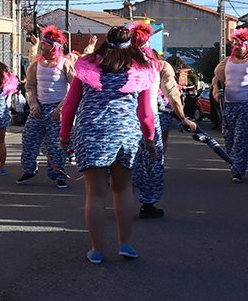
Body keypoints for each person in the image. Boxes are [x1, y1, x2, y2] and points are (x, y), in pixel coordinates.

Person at [59, 24, 159, 263]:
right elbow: (146, 112)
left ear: (106, 41)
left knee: (95, 193)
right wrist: (150, 139)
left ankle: (97, 250)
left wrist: (64, 134)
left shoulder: (87, 66)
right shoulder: (140, 69)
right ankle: (126, 244)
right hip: (126, 134)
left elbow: (70, 104)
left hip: (91, 132)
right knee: (123, 189)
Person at [133, 55, 195, 218]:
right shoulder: (121, 61)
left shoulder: (159, 66)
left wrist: (182, 118)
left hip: (145, 118)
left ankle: (143, 204)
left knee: (149, 161)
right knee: (135, 162)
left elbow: (172, 94)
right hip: (131, 119)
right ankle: (132, 204)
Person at [212, 28, 248, 182]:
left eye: (240, 45)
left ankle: (237, 171)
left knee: (240, 139)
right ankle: (234, 163)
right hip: (228, 106)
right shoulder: (227, 61)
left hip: (246, 105)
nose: (237, 47)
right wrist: (217, 93)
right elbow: (217, 79)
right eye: (235, 45)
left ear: (247, 47)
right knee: (229, 138)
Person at [20, 26, 75, 188]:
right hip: (38, 108)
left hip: (57, 110)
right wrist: (33, 104)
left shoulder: (65, 63)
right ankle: (29, 170)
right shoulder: (36, 64)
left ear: (52, 47)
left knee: (56, 145)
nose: (41, 46)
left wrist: (61, 108)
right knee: (28, 139)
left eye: (43, 44)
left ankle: (58, 174)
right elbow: (30, 86)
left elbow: (74, 89)